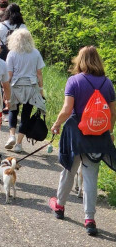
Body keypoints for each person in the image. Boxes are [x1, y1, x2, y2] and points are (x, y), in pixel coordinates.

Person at [49, 46, 116, 236]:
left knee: (69, 169)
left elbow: (67, 109)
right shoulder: (107, 83)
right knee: (91, 175)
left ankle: (60, 206)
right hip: (98, 133)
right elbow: (113, 112)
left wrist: (56, 124)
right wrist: (109, 131)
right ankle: (89, 219)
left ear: (80, 60)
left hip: (76, 132)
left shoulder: (74, 81)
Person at [4, 28, 45, 153]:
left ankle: (11, 135)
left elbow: (9, 75)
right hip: (31, 87)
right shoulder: (35, 53)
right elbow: (39, 74)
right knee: (26, 115)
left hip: (16, 86)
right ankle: (19, 144)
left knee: (13, 111)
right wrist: (41, 90)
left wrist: (5, 91)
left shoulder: (12, 53)